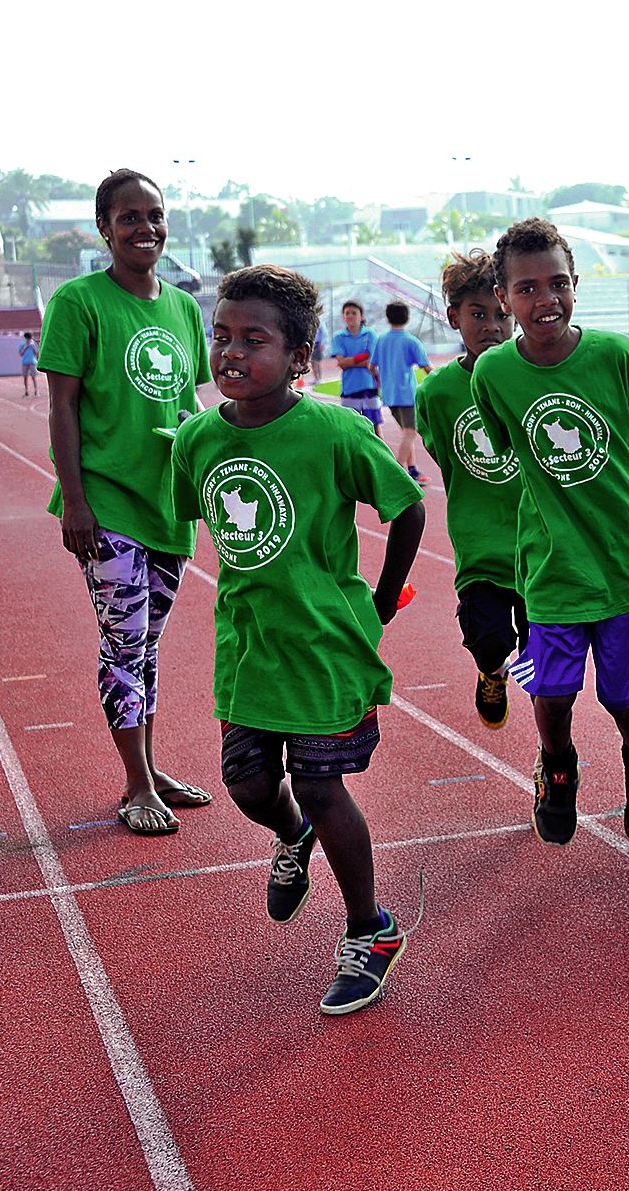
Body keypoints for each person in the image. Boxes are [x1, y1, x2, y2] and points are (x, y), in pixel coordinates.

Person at [169, 264, 424, 1015]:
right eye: (221, 337)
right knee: (248, 785)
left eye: (254, 339)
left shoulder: (334, 429)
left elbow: (405, 509)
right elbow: (200, 524)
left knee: (320, 781)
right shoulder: (197, 439)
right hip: (248, 646)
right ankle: (291, 834)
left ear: (298, 354)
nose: (231, 353)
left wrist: (378, 603)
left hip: (323, 645)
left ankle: (368, 930)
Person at [471, 217, 629, 848]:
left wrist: (616, 488)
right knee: (552, 696)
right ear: (505, 299)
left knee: (620, 694)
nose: (544, 299)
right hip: (549, 565)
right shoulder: (493, 375)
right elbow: (510, 454)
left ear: (576, 285)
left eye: (557, 283)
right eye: (526, 289)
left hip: (618, 562)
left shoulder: (619, 357)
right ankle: (558, 768)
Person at [40, 169, 215, 838]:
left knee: (146, 647)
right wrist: (74, 500)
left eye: (156, 214)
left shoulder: (180, 307)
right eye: (130, 217)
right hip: (106, 504)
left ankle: (149, 766)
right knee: (122, 643)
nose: (146, 228)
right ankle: (136, 784)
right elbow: (62, 405)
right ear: (104, 228)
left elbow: (190, 405)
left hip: (166, 505)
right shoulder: (79, 302)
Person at [417, 251, 527, 730]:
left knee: (546, 655)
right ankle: (490, 672)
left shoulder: (530, 376)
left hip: (540, 543)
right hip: (480, 544)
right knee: (488, 638)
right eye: (477, 315)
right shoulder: (437, 394)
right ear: (453, 318)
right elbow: (446, 458)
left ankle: (553, 745)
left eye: (501, 314)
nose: (492, 326)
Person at [371, 302, 433, 483]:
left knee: (407, 431)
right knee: (410, 432)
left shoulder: (381, 340)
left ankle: (413, 469)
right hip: (406, 393)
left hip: (389, 395)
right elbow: (426, 367)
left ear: (388, 317)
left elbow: (371, 366)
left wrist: (381, 381)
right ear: (408, 317)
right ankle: (397, 471)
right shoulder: (410, 340)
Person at [329, 301, 384, 435]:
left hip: (369, 387)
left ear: (361, 316)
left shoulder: (369, 334)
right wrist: (362, 358)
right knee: (350, 428)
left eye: (354, 313)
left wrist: (351, 361)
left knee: (374, 427)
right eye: (347, 313)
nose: (350, 316)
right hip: (349, 388)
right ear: (343, 316)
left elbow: (371, 360)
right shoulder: (339, 337)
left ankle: (381, 455)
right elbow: (341, 363)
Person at [18, 332, 41, 397]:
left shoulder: (33, 344)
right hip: (25, 362)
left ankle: (36, 391)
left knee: (34, 377)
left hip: (32, 362)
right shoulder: (22, 345)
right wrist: (25, 346)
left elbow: (37, 353)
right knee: (25, 377)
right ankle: (26, 391)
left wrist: (33, 347)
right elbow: (20, 354)